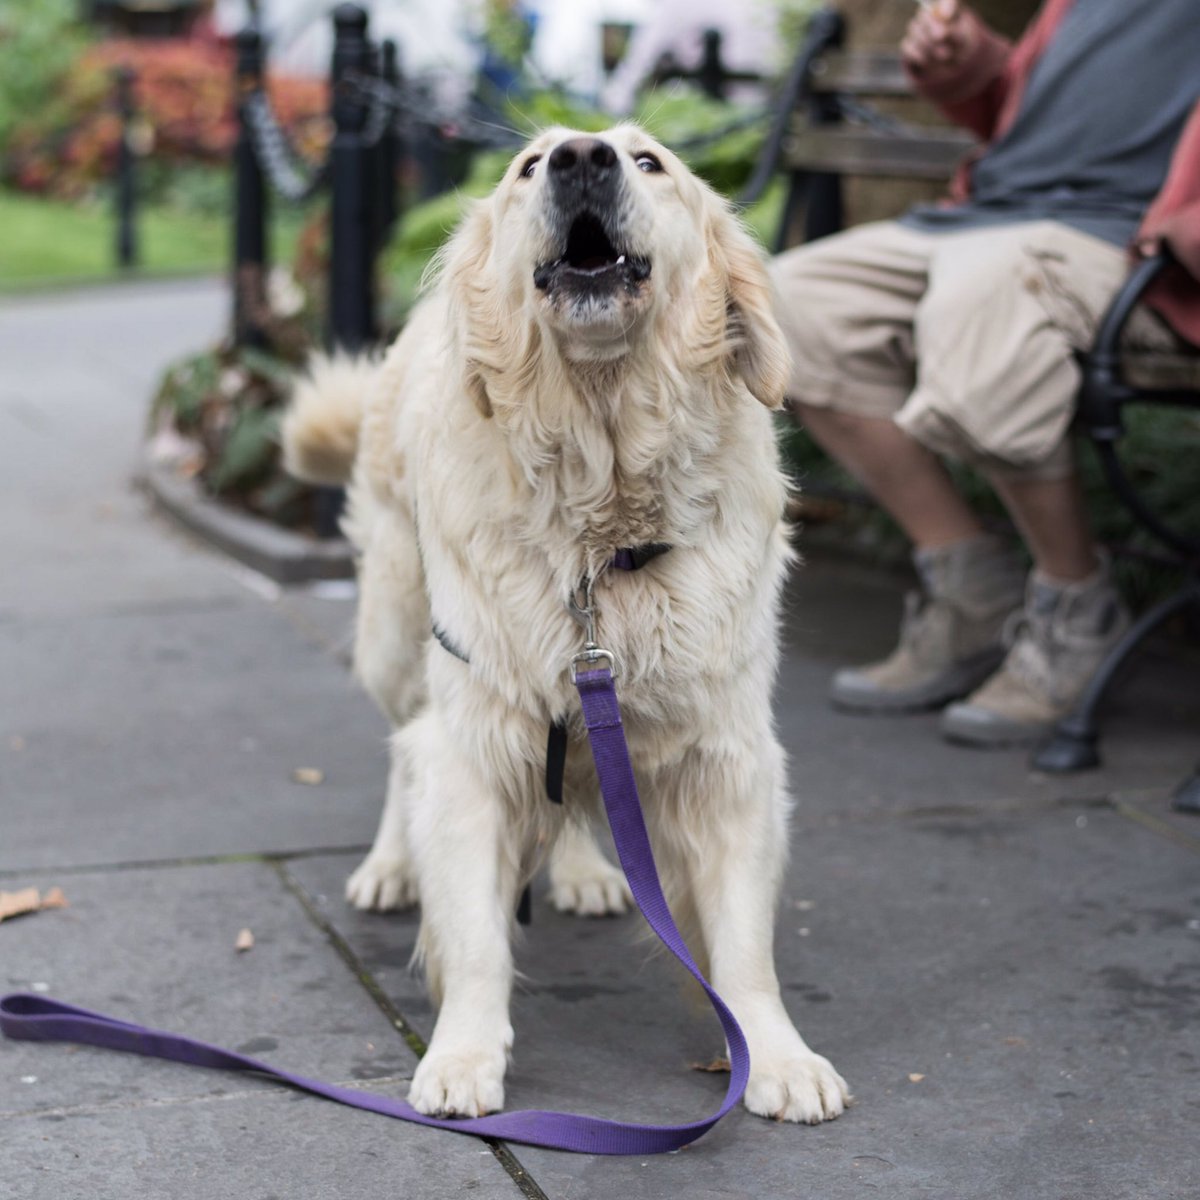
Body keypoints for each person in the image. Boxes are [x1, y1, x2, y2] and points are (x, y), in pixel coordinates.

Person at [770, 0, 1200, 746]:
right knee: (779, 304)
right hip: (991, 217)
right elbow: (1031, 110)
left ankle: (1077, 608)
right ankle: (974, 590)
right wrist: (968, 63)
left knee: (984, 301)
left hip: (1128, 250)